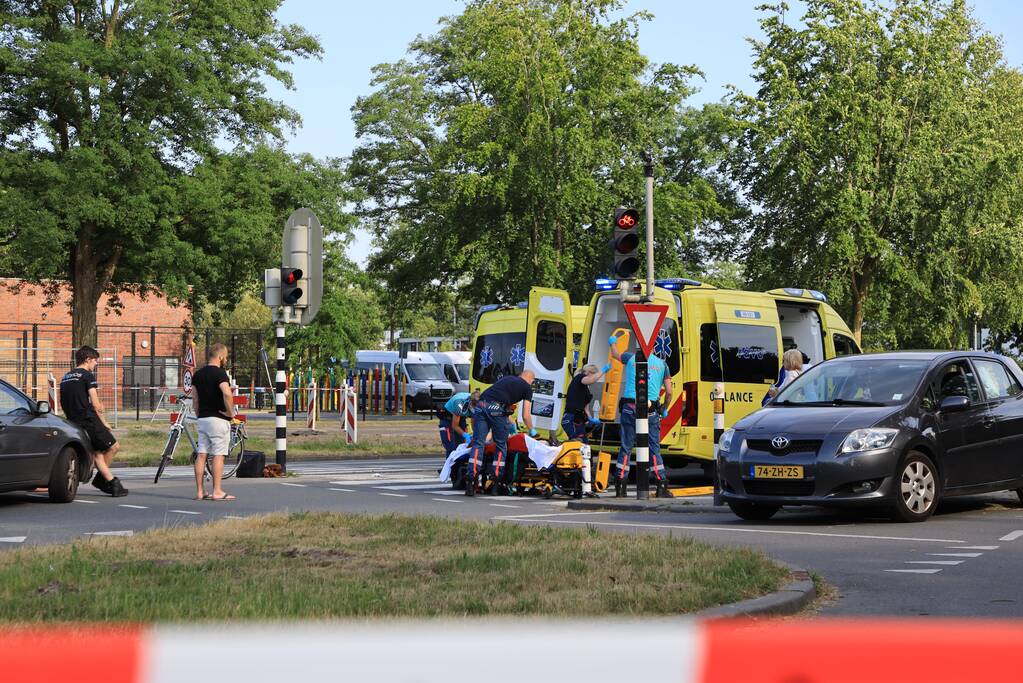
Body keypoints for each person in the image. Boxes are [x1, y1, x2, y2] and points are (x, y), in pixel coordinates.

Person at [609, 333, 674, 498]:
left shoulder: (630, 358)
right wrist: (664, 408)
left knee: (626, 446)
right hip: (650, 409)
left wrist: (613, 342)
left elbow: (615, 354)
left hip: (629, 407)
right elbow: (669, 392)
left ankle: (620, 486)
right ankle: (661, 484)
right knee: (653, 447)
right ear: (654, 347)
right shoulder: (662, 364)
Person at [60, 346, 128, 497]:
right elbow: (96, 403)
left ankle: (111, 483)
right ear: (87, 359)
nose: (96, 364)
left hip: (73, 420)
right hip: (89, 419)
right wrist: (103, 422)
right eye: (95, 360)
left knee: (97, 453)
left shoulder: (66, 377)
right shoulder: (87, 376)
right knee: (113, 447)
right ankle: (103, 480)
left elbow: (63, 400)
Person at [465, 370, 536, 496]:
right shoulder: (527, 388)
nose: (531, 384)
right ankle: (496, 484)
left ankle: (471, 481)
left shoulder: (507, 378)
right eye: (532, 382)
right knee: (501, 445)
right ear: (530, 379)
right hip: (497, 409)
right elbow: (525, 415)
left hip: (481, 404)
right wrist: (531, 429)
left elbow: (498, 395)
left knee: (478, 443)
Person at [191, 343, 236, 501]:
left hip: (203, 419)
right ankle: (217, 491)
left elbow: (195, 398)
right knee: (218, 455)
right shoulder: (220, 374)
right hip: (218, 419)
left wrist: (199, 414)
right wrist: (230, 412)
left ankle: (200, 491)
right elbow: (227, 394)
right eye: (226, 357)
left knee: (201, 454)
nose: (226, 360)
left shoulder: (197, 375)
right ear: (221, 357)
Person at [561, 363, 610, 442]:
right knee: (576, 441)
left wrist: (590, 418)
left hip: (579, 419)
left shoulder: (586, 391)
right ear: (588, 373)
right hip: (570, 418)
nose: (595, 379)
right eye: (594, 375)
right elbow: (591, 380)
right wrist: (603, 370)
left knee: (584, 443)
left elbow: (586, 408)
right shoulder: (579, 378)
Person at [439, 390, 476, 456]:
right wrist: (466, 435)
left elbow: (474, 421)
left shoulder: (480, 404)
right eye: (473, 407)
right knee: (451, 448)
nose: (475, 409)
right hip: (447, 419)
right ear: (470, 403)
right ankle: (450, 462)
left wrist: (474, 434)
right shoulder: (459, 403)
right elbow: (454, 425)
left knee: (461, 447)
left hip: (461, 417)